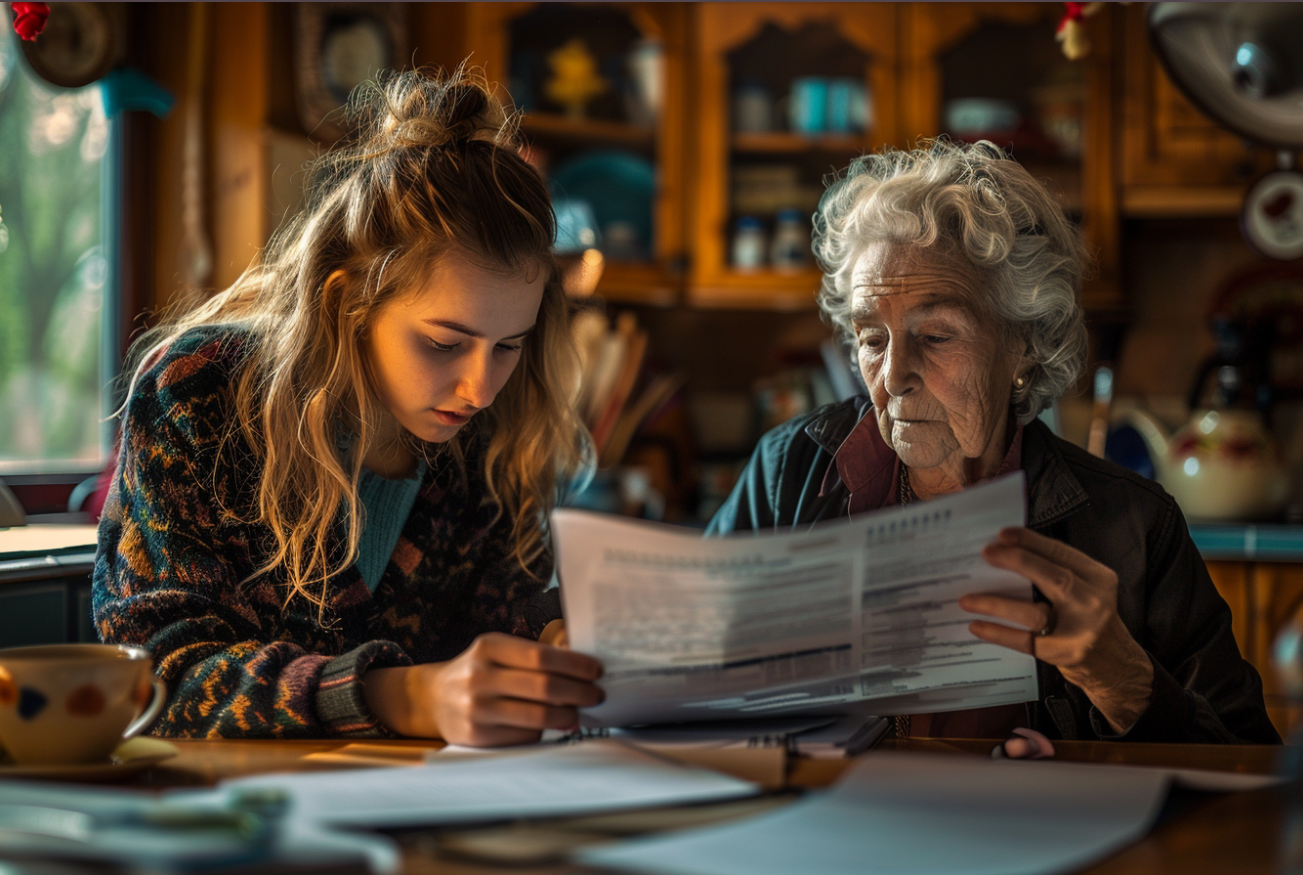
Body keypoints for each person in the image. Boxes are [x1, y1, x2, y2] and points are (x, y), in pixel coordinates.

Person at [708, 139, 1280, 748]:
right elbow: (679, 671)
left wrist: (1124, 680)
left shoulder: (1132, 526)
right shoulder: (790, 470)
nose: (893, 374)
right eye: (872, 338)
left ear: (1024, 347)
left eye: (934, 336)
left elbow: (1249, 776)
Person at [94, 67, 604, 747]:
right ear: (346, 303)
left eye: (507, 346)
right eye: (444, 343)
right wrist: (400, 694)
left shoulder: (495, 438)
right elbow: (155, 676)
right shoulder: (197, 396)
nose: (480, 389)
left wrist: (546, 641)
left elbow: (496, 622)